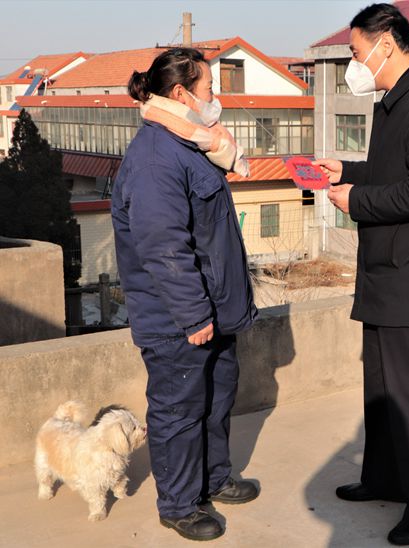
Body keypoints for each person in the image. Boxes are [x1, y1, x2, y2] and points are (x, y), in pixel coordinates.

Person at [314, 4, 409, 545]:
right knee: (381, 391)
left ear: (386, 44)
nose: (353, 64)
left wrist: (356, 200)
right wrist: (348, 171)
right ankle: (383, 479)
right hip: (387, 274)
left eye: (356, 52)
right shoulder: (394, 101)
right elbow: (391, 171)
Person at [111, 47, 258, 542]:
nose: (215, 97)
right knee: (178, 412)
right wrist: (195, 316)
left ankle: (213, 479)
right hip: (179, 320)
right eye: (209, 89)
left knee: (215, 401)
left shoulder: (190, 142)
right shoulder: (156, 158)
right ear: (181, 93)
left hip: (215, 310)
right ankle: (178, 504)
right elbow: (164, 247)